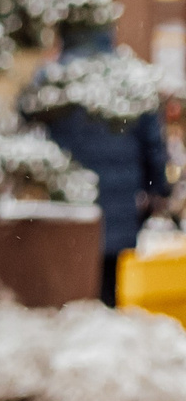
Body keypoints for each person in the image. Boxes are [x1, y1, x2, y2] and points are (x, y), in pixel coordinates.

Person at [28, 27, 175, 305]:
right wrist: (158, 190)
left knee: (69, 282)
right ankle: (104, 320)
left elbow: (29, 126)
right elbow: (153, 146)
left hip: (68, 202)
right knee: (109, 281)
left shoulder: (53, 77)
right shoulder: (131, 78)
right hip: (118, 204)